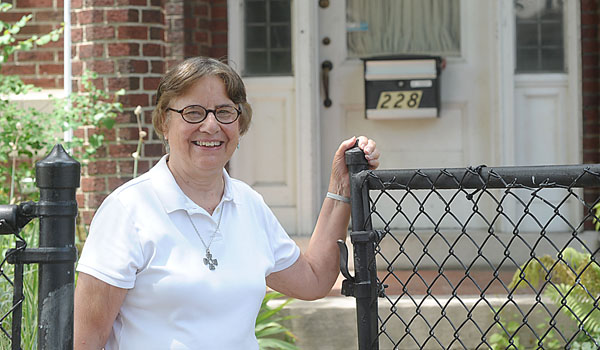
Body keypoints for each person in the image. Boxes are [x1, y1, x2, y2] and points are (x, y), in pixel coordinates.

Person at [73, 56, 379, 350]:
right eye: (193, 112)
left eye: (224, 112)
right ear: (164, 122)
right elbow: (84, 341)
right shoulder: (128, 210)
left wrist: (341, 186)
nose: (210, 126)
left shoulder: (249, 204)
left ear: (240, 123)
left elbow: (313, 281)